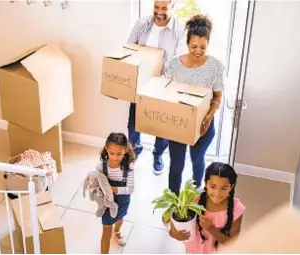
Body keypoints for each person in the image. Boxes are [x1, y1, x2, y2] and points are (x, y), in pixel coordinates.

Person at [164, 14, 225, 195]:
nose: (198, 51)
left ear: (208, 44)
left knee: (197, 160)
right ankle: (173, 201)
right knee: (176, 165)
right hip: (178, 124)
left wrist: (208, 117)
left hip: (204, 125)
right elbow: (165, 92)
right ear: (187, 43)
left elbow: (217, 97)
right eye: (193, 46)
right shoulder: (173, 64)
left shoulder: (215, 67)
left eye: (203, 47)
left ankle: (196, 193)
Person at [127, 0, 187, 175]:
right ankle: (134, 151)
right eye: (156, 7)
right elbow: (129, 49)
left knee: (161, 125)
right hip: (140, 83)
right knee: (134, 122)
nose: (159, 12)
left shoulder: (180, 31)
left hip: (163, 85)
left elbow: (180, 62)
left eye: (164, 8)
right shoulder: (141, 24)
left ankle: (158, 154)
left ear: (172, 7)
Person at [168, 162, 246, 254]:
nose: (217, 193)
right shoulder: (194, 200)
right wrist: (172, 233)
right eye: (213, 187)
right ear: (206, 183)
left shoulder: (236, 209)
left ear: (231, 187)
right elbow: (175, 217)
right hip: (194, 250)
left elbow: (232, 242)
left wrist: (210, 228)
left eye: (224, 188)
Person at [96, 133, 136, 254]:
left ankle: (117, 232)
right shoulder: (102, 166)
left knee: (120, 218)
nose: (114, 157)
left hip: (122, 200)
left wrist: (112, 188)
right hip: (107, 202)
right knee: (106, 228)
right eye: (111, 153)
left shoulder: (128, 167)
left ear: (126, 150)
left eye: (119, 154)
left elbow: (130, 189)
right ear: (106, 149)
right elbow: (96, 178)